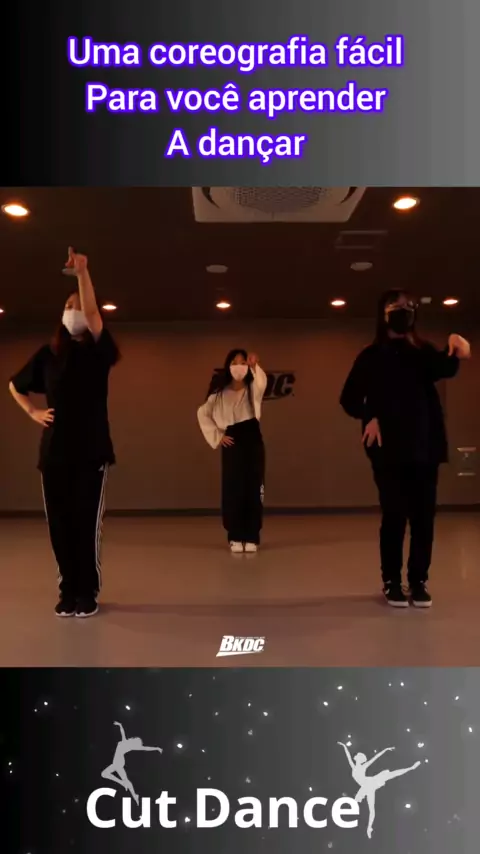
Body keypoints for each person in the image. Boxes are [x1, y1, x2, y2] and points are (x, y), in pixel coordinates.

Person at [340, 290, 471, 608]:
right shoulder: (371, 356)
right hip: (388, 449)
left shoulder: (422, 351)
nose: (403, 311)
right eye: (396, 307)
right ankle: (391, 581)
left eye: (408, 307)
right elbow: (349, 399)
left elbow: (447, 367)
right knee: (395, 515)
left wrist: (456, 345)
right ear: (383, 314)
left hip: (425, 446)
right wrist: (370, 416)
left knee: (424, 517)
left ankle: (418, 580)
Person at [9, 248, 120, 618]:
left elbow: (92, 314)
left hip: (91, 453)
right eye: (68, 305)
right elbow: (15, 385)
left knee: (86, 525)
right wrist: (33, 411)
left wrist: (82, 274)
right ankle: (68, 588)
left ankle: (87, 590)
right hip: (54, 453)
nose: (74, 309)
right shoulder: (48, 355)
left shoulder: (100, 352)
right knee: (60, 525)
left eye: (79, 305)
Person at [197, 349, 267, 553]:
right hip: (232, 440)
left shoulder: (253, 387)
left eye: (242, 362)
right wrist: (218, 436)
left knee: (253, 486)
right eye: (235, 362)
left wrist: (254, 366)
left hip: (252, 438)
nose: (239, 366)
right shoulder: (219, 392)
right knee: (233, 487)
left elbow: (261, 384)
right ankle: (235, 535)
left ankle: (252, 535)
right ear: (228, 366)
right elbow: (203, 413)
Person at [337, 742, 420, 838]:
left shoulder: (364, 766)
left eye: (357, 756)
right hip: (367, 787)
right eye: (356, 756)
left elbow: (375, 757)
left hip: (369, 782)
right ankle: (369, 828)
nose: (355, 757)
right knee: (371, 809)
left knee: (390, 775)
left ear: (360, 759)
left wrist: (385, 750)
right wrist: (344, 746)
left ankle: (411, 768)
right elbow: (348, 756)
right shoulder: (353, 766)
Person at [101, 722, 163, 805]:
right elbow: (122, 732)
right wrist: (120, 725)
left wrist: (156, 748)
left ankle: (125, 785)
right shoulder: (124, 741)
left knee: (107, 774)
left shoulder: (130, 746)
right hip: (116, 763)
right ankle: (134, 794)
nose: (131, 738)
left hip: (118, 762)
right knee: (105, 774)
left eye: (134, 738)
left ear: (134, 741)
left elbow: (145, 748)